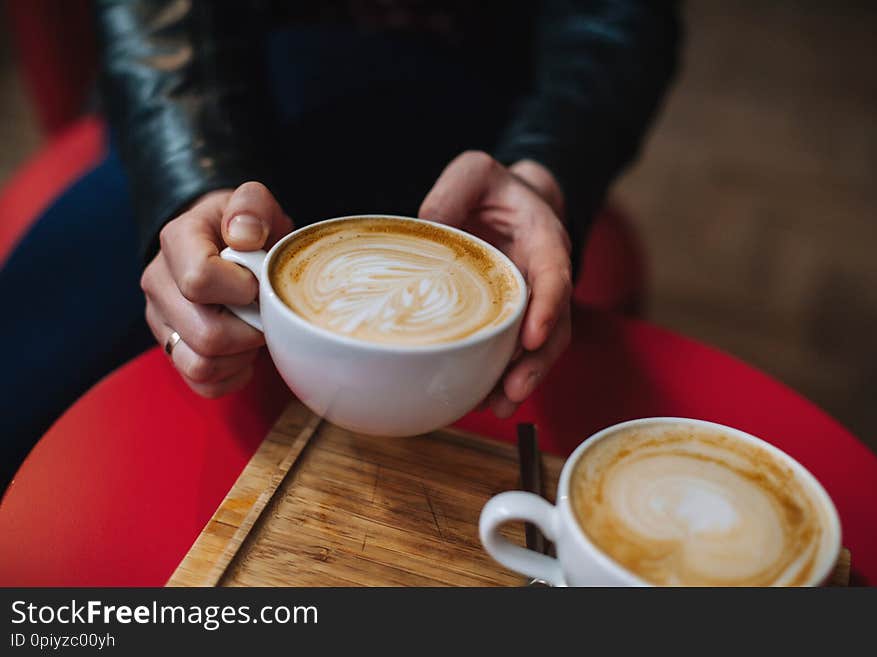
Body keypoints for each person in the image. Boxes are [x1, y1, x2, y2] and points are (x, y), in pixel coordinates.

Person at [0, 0, 680, 489]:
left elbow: (619, 17)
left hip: (482, 93)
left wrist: (544, 166)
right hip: (213, 79)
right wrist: (193, 179)